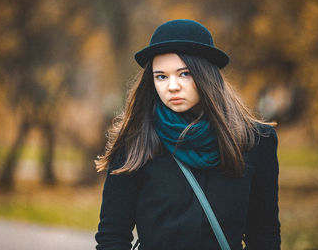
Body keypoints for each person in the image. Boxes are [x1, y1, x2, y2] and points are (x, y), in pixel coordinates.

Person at [94, 19, 281, 250]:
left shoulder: (256, 141)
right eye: (161, 76)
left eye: (184, 74)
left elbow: (264, 235)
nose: (172, 86)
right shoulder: (135, 140)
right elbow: (112, 237)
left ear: (206, 75)